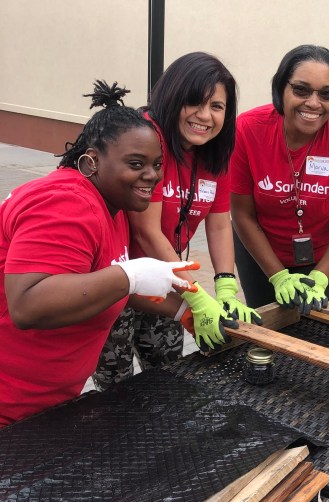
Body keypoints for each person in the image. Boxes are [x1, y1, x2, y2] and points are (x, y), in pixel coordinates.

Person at [0, 81, 198, 428]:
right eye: (136, 163)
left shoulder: (111, 205)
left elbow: (99, 286)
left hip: (41, 406)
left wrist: (186, 311)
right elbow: (27, 304)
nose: (151, 176)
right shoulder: (67, 204)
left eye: (157, 164)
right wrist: (131, 274)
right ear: (92, 160)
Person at [93, 52, 258, 391]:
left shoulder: (215, 154)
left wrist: (226, 285)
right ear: (172, 96)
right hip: (115, 280)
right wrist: (197, 294)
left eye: (217, 106)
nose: (205, 116)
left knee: (169, 375)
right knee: (115, 388)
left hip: (166, 280)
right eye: (194, 102)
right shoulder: (148, 140)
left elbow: (219, 222)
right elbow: (146, 228)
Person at [229, 44, 329, 314]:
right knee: (269, 336)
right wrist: (278, 276)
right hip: (260, 253)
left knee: (324, 337)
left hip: (326, 255)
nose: (313, 103)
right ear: (280, 89)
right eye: (301, 89)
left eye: (326, 94)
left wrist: (320, 277)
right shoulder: (247, 130)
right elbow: (241, 214)